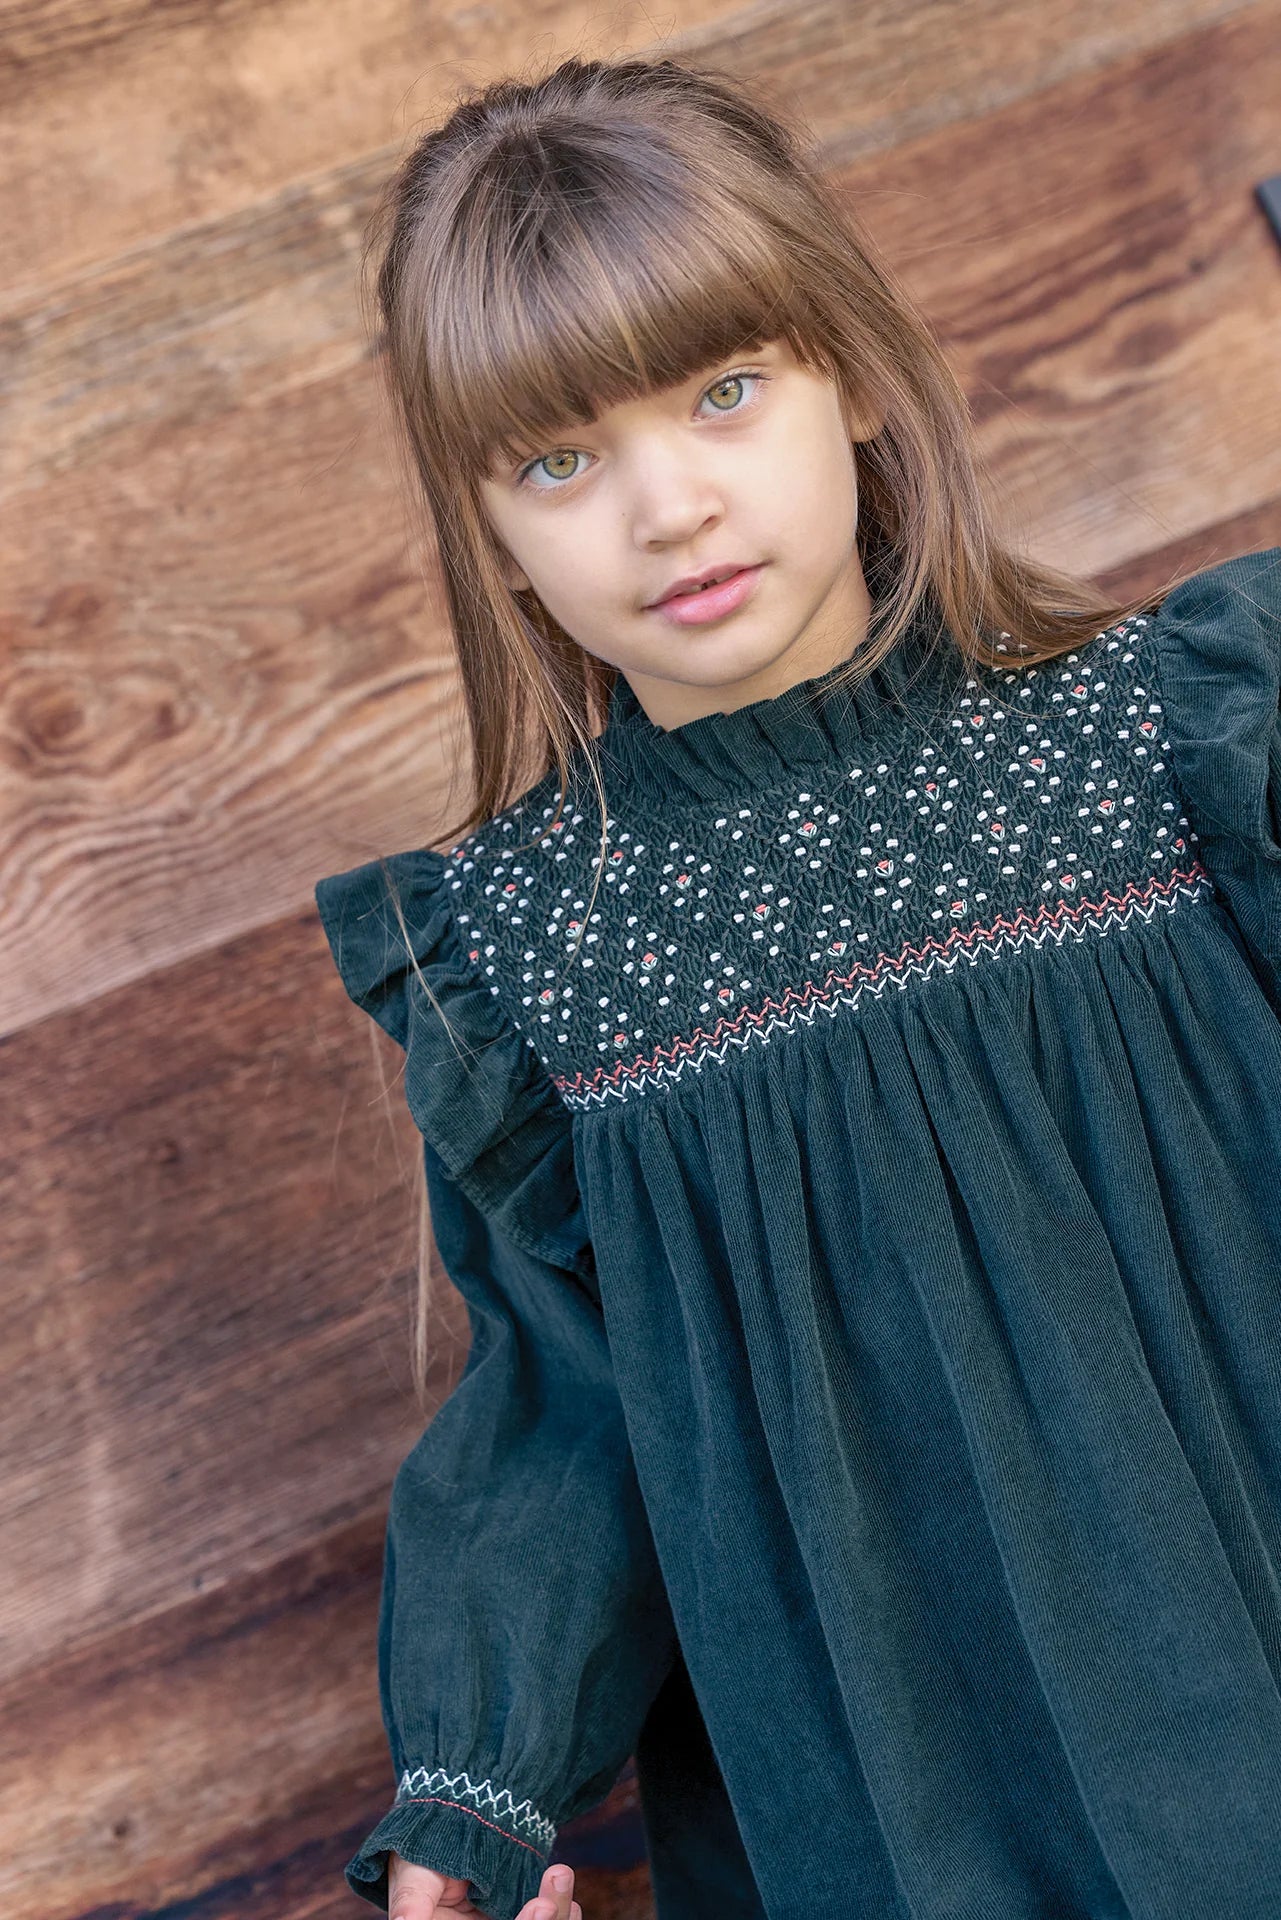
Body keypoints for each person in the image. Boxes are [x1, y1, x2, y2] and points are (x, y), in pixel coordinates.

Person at [312, 51, 1281, 1920]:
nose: (666, 507)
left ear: (853, 375)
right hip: (911, 1785)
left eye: (724, 391)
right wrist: (477, 1786)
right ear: (486, 529)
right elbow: (573, 1404)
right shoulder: (535, 956)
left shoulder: (1172, 745)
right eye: (558, 459)